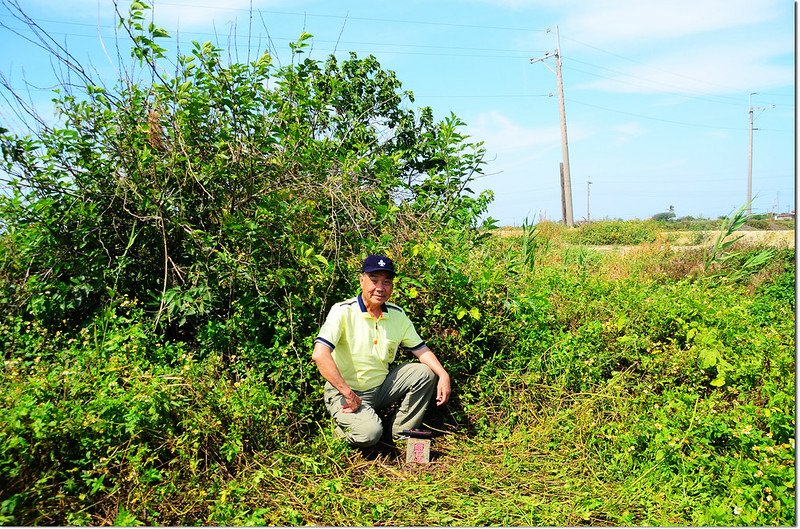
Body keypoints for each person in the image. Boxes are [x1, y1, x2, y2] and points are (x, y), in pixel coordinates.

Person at [312, 254, 451, 448]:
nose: (380, 288)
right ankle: (343, 432)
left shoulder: (397, 314)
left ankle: (399, 434)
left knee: (425, 373)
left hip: (380, 389)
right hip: (345, 392)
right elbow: (320, 354)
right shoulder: (343, 311)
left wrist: (444, 375)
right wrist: (348, 394)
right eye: (374, 280)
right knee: (369, 434)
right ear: (362, 280)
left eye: (386, 282)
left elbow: (421, 350)